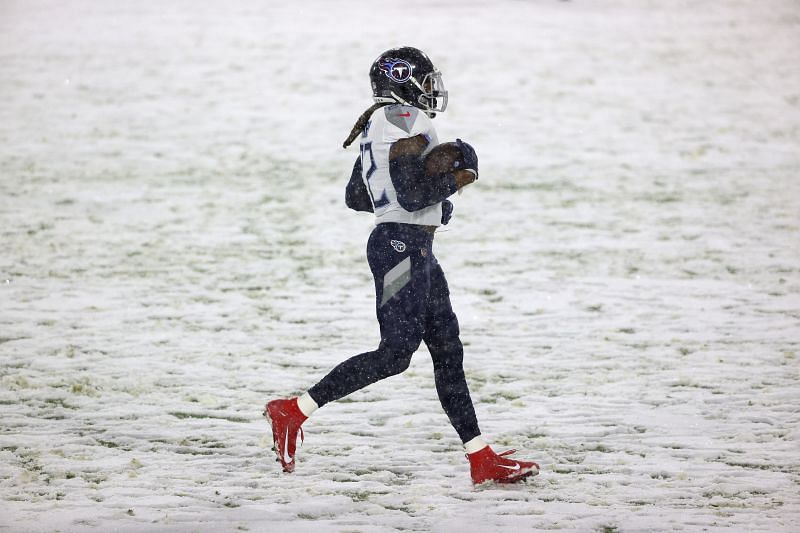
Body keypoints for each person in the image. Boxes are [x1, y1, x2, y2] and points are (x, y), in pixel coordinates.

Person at [264, 46, 539, 485]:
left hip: (410, 245)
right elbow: (411, 195)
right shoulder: (408, 121)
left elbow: (361, 196)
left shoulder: (380, 123)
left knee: (448, 351)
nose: (431, 91)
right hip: (400, 250)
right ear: (404, 81)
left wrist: (428, 207)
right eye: (425, 82)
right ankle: (292, 411)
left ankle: (480, 457)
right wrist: (457, 180)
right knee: (395, 354)